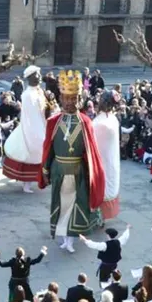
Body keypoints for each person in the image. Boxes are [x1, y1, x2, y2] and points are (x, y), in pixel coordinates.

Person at [37, 70, 106, 253]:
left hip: (78, 172)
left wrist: (92, 173)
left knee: (75, 205)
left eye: (73, 98)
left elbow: (91, 152)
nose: (69, 102)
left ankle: (71, 239)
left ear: (79, 99)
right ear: (61, 98)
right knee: (61, 204)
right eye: (66, 98)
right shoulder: (53, 122)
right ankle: (64, 237)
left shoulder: (85, 122)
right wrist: (45, 169)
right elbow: (48, 148)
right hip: (58, 170)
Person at [2, 65, 46, 193]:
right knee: (30, 155)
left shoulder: (39, 91)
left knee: (39, 155)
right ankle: (26, 183)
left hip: (41, 125)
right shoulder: (27, 95)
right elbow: (29, 116)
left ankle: (33, 181)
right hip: (31, 128)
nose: (40, 76)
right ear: (31, 77)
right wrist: (34, 131)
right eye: (37, 74)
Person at [92, 90, 122, 220]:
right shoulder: (113, 118)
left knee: (100, 187)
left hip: (101, 160)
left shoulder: (100, 123)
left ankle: (98, 216)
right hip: (110, 159)